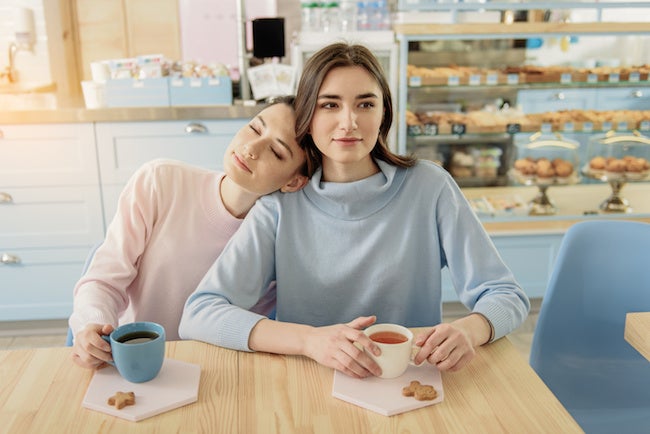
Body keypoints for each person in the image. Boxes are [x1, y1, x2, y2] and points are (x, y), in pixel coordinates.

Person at [179, 43, 530, 379]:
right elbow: (200, 313)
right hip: (307, 385)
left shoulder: (430, 187)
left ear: (383, 114)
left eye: (365, 104)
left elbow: (506, 295)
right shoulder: (279, 206)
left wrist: (470, 329)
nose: (349, 123)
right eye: (329, 105)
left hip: (406, 380)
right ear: (307, 117)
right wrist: (308, 341)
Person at [69, 96, 308, 369]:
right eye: (255, 128)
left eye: (276, 152)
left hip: (217, 372)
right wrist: (92, 327)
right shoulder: (160, 181)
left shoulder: (282, 238)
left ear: (294, 181)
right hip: (132, 361)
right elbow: (103, 281)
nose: (251, 148)